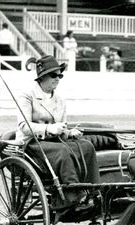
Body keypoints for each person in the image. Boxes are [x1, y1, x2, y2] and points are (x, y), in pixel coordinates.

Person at [16, 55, 100, 210]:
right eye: (54, 75)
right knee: (62, 151)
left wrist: (69, 132)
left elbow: (62, 128)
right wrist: (49, 129)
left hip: (54, 142)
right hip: (32, 143)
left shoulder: (60, 100)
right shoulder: (27, 96)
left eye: (60, 75)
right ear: (42, 77)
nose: (58, 79)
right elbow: (24, 126)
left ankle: (94, 191)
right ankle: (73, 193)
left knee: (86, 146)